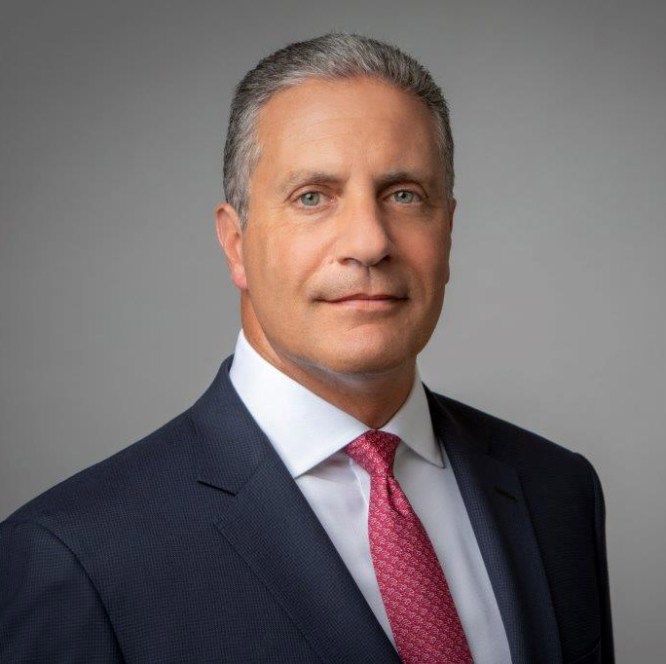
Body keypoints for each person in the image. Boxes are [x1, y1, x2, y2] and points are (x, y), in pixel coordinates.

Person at [0, 34, 613, 663]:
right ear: (235, 243)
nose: (369, 242)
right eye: (312, 197)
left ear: (448, 230)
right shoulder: (75, 558)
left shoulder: (557, 491)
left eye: (404, 194)